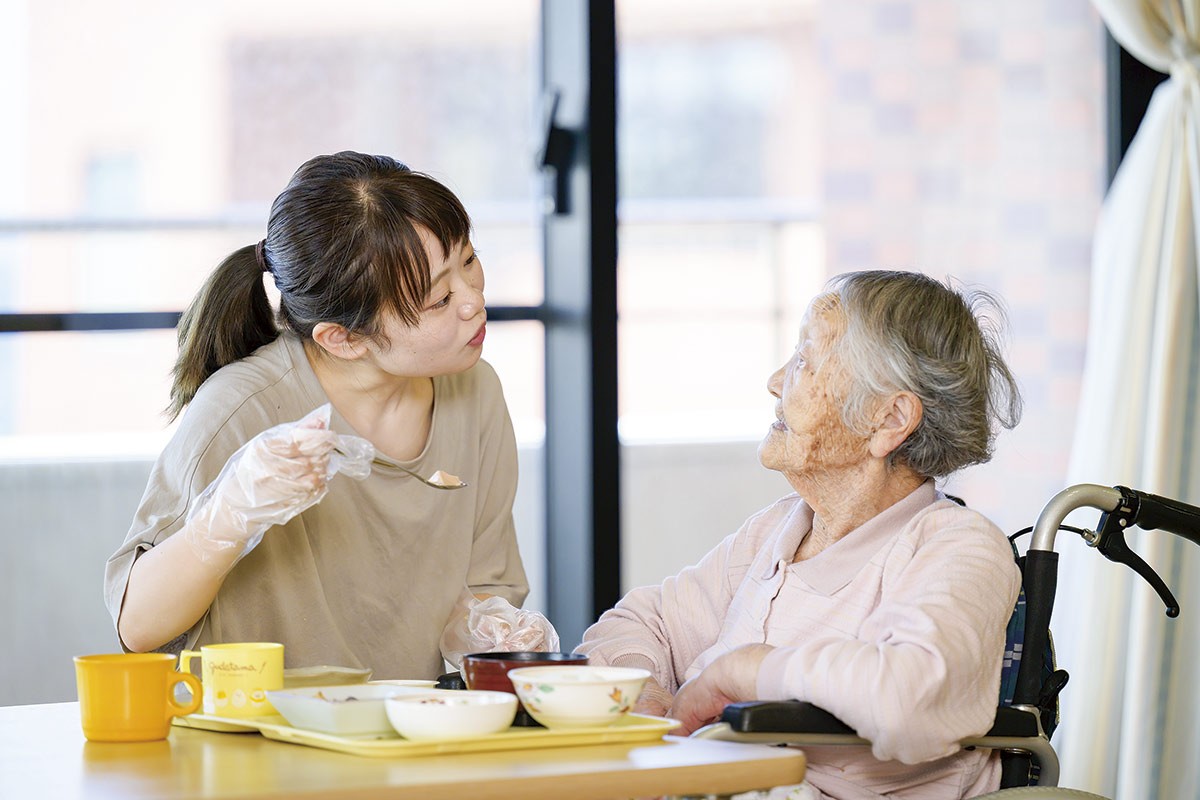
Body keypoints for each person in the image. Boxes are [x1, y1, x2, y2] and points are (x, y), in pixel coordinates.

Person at [577, 270, 1025, 799]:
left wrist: (744, 672)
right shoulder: (780, 530)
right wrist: (645, 691)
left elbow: (909, 696)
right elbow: (635, 623)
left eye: (805, 361)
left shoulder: (958, 547)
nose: (774, 380)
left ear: (889, 420)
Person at [104, 151, 539, 680]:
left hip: (407, 734)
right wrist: (227, 516)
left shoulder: (476, 390)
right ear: (345, 338)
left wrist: (487, 627)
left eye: (469, 261)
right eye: (440, 299)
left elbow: (486, 582)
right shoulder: (243, 408)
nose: (474, 301)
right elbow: (136, 626)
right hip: (256, 736)